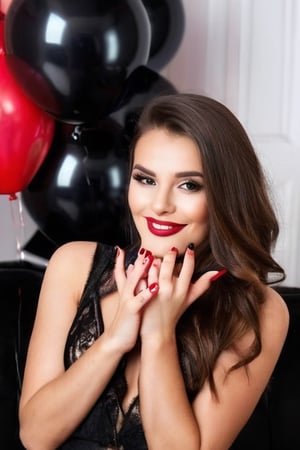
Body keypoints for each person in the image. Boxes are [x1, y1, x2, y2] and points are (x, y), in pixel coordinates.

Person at [19, 93, 289, 450]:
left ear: (225, 195)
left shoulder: (257, 310)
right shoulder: (73, 266)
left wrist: (158, 334)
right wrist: (114, 340)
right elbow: (36, 436)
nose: (160, 205)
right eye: (146, 179)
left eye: (189, 185)